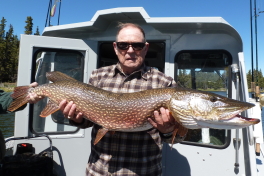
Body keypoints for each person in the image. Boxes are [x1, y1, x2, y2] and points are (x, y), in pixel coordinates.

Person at [29, 23, 185, 176]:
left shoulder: (164, 83)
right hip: (99, 171)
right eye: (124, 45)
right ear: (116, 47)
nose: (130, 51)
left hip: (143, 171)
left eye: (137, 45)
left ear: (146, 48)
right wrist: (77, 120)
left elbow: (177, 137)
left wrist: (168, 131)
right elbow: (89, 121)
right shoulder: (98, 76)